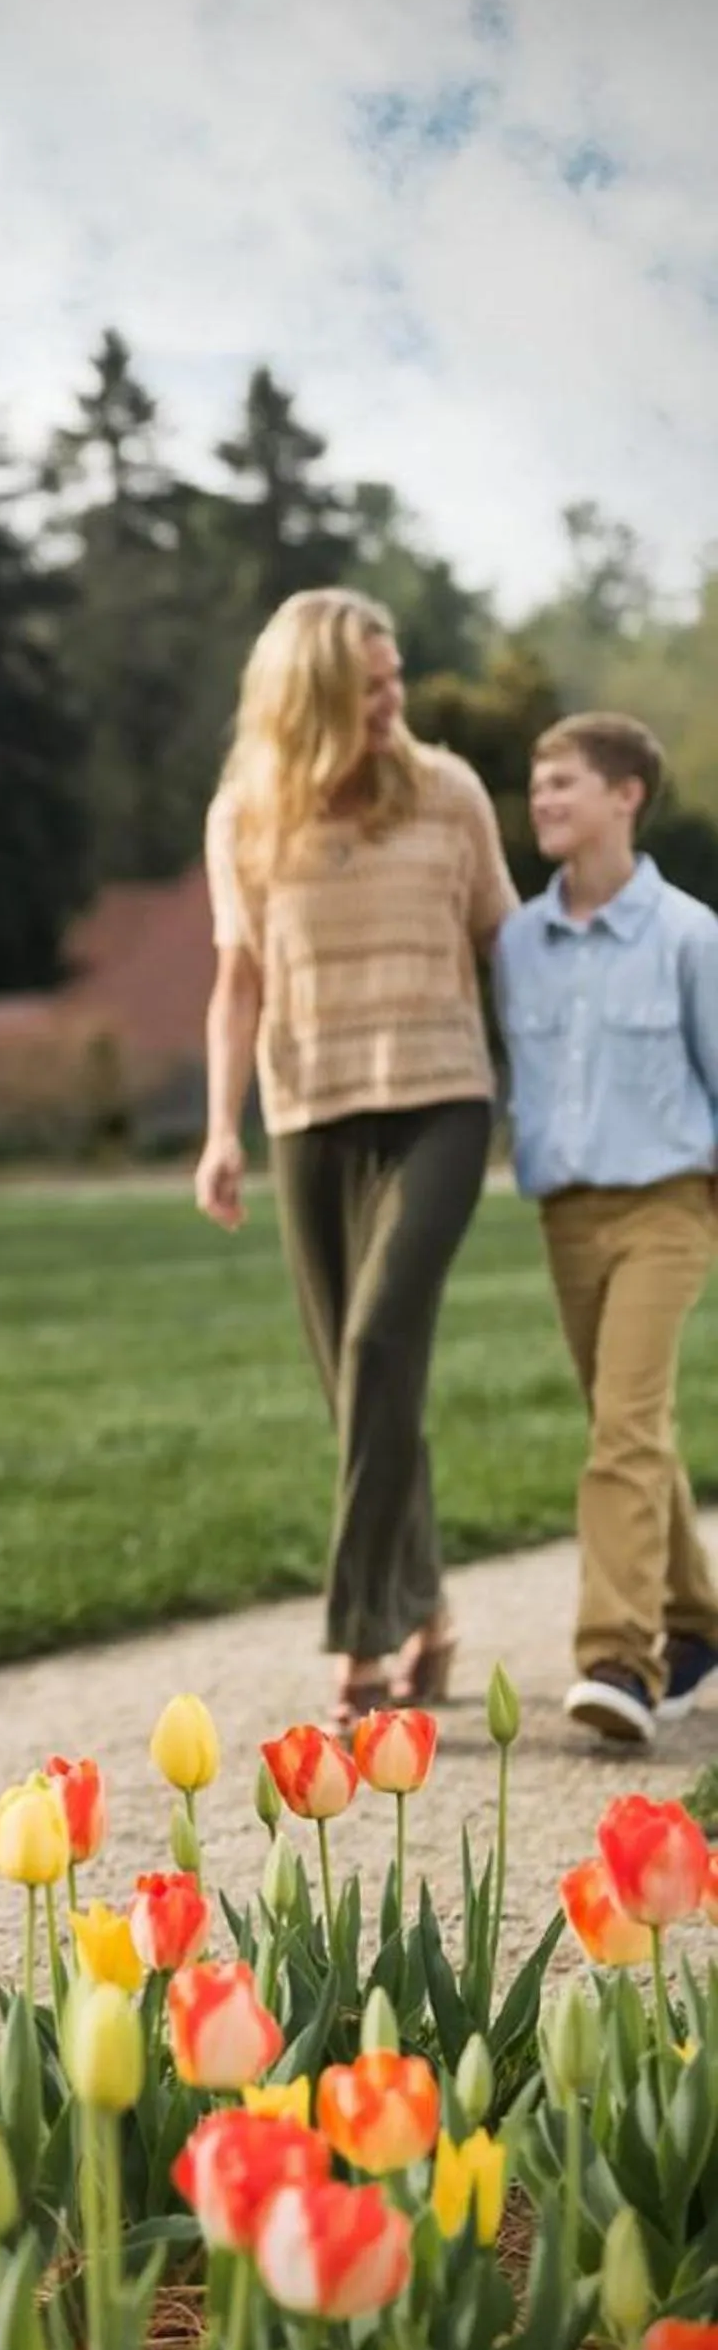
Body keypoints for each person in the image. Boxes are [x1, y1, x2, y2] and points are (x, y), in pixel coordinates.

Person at [194, 588, 517, 1732]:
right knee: (356, 1386)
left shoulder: (447, 794)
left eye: (394, 678)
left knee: (380, 1341)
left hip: (441, 1102)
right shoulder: (244, 814)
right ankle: (426, 1608)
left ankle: (360, 1636)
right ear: (311, 696)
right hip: (309, 1114)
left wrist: (554, 1104)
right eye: (369, 684)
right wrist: (221, 1128)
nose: (393, 700)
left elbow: (504, 946)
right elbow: (237, 979)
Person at [493, 712, 718, 1748]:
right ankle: (698, 1618)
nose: (541, 799)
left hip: (668, 1203)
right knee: (626, 1424)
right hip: (566, 1217)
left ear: (624, 795)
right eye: (535, 783)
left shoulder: (686, 934)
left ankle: (618, 1658)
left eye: (563, 782)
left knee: (622, 1428)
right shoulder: (516, 944)